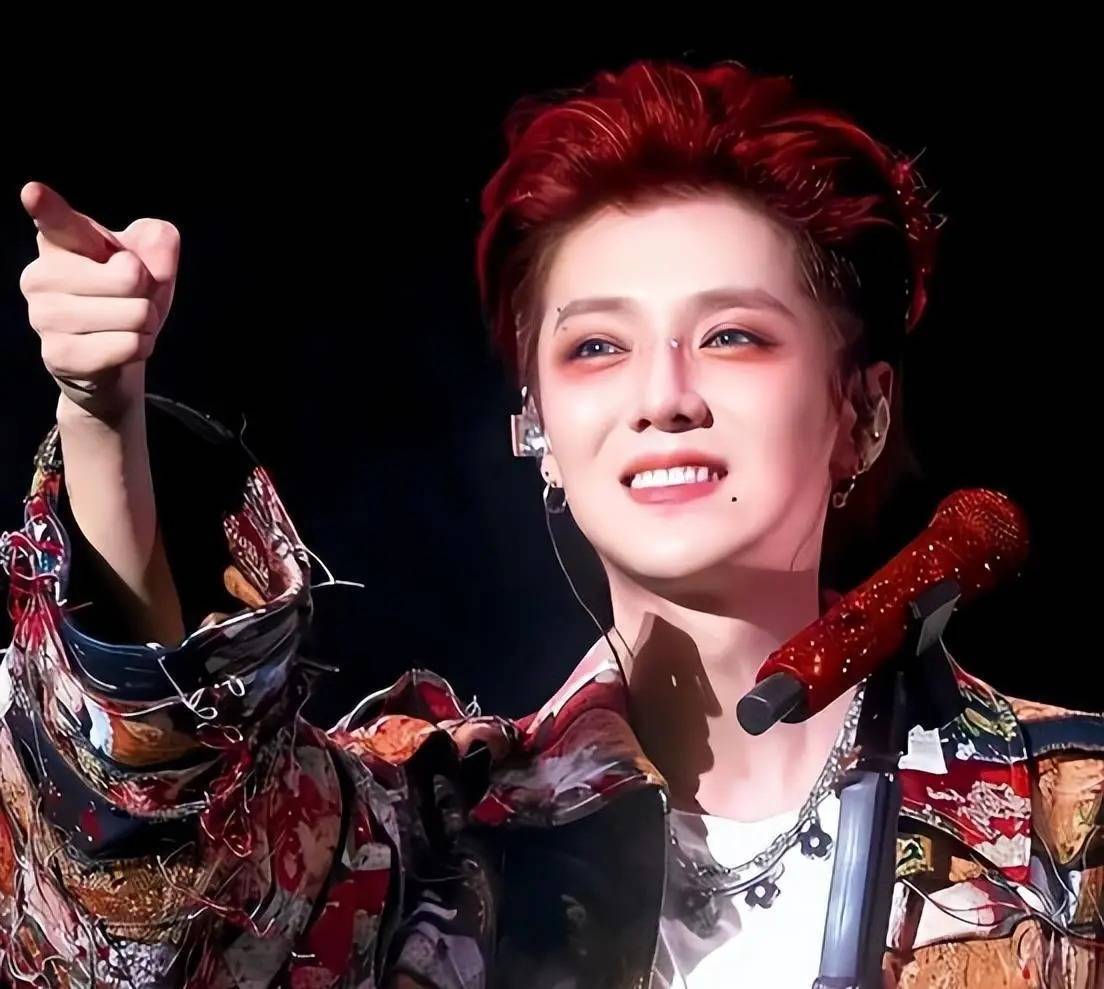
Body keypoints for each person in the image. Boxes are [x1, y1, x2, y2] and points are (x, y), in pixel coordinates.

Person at [5, 60, 1103, 988]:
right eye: (596, 347)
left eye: (732, 335)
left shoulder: (1074, 827)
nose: (662, 395)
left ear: (861, 411)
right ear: (538, 425)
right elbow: (152, 891)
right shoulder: (437, 843)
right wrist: (104, 418)